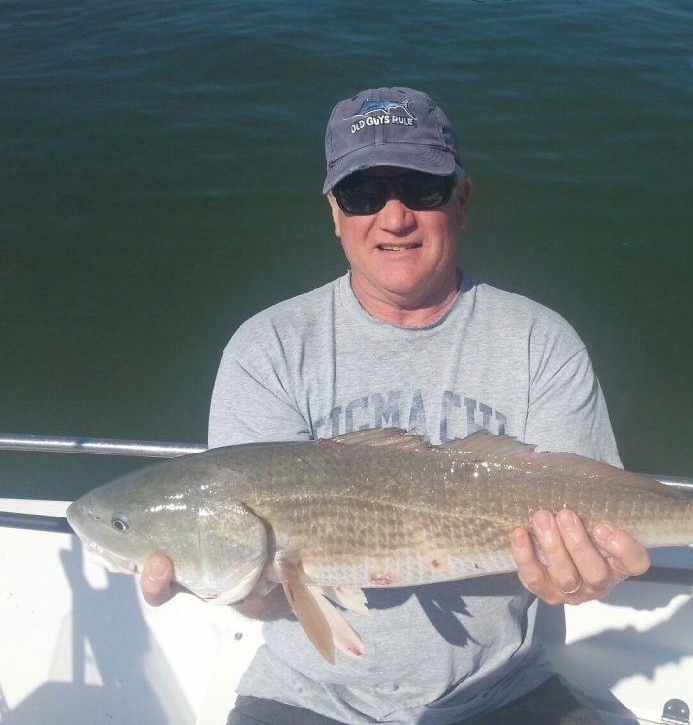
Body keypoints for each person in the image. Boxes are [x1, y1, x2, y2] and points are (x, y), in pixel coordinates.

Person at [141, 86, 650, 724]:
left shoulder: (538, 342)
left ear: (461, 201)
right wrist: (235, 586)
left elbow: (592, 518)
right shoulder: (267, 348)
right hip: (308, 696)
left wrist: (586, 575)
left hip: (505, 689)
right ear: (334, 212)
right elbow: (270, 594)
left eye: (421, 189)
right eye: (362, 195)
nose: (394, 217)